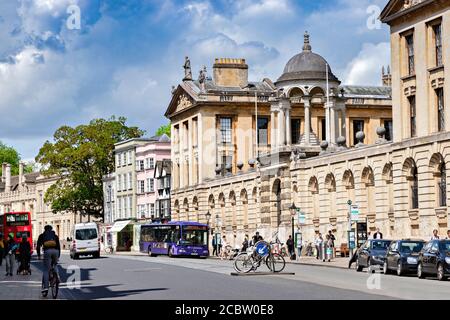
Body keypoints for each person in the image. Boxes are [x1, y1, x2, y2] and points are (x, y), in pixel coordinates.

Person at [37, 225, 60, 296]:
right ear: (51, 229)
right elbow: (59, 246)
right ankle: (57, 277)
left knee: (46, 270)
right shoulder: (55, 236)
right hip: (56, 251)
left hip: (47, 252)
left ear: (44, 229)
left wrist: (38, 255)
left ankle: (46, 287)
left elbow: (38, 246)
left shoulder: (42, 235)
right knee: (55, 264)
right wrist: (58, 256)